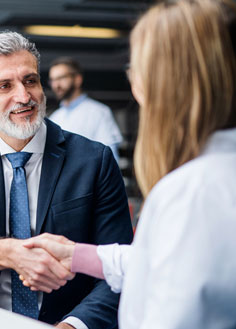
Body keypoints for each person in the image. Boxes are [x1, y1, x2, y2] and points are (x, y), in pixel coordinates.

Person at [23, 1, 236, 328]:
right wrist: (79, 255)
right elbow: (170, 262)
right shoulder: (210, 178)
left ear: (162, 83)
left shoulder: (190, 193)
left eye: (135, 69)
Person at [0, 31, 133, 328]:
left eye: (30, 80)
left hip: (66, 320)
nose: (24, 96)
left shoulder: (94, 160)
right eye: (4, 86)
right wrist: (4, 252)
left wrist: (73, 325)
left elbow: (119, 268)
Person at [48, 57, 122, 161]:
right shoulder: (54, 118)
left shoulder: (100, 112)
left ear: (78, 79)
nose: (56, 85)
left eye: (61, 78)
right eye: (53, 80)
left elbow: (110, 158)